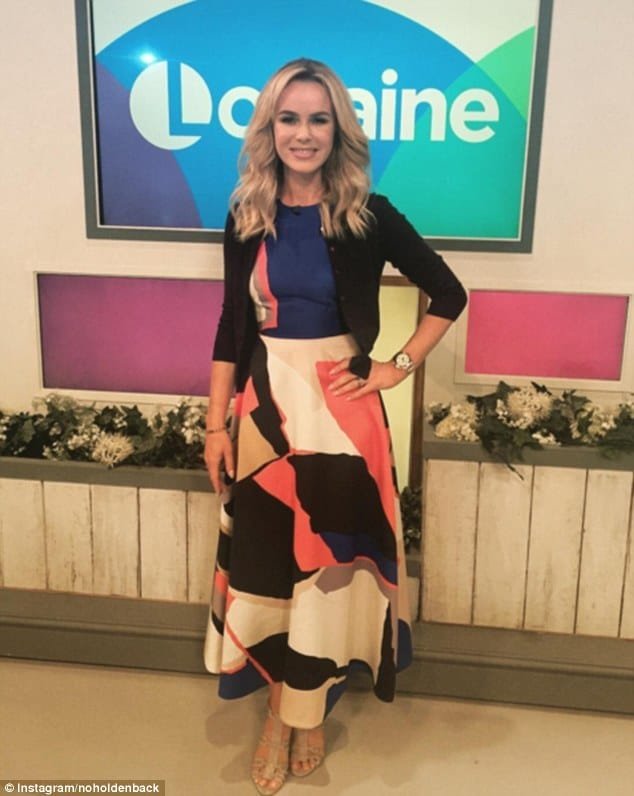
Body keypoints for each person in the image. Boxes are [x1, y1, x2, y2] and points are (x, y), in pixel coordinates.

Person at [203, 57, 467, 795]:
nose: (304, 133)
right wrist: (217, 424)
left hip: (344, 415)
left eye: (319, 119)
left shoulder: (368, 214)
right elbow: (229, 325)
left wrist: (396, 366)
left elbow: (448, 293)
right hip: (264, 411)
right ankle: (277, 710)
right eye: (289, 118)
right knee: (268, 564)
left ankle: (308, 710)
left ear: (338, 130)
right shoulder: (246, 214)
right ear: (269, 129)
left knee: (328, 571)